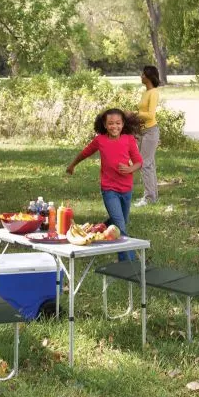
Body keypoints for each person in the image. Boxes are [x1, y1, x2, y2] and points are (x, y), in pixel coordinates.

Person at [66, 108, 143, 261]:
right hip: (109, 189)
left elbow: (138, 162)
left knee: (121, 221)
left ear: (123, 124)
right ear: (105, 125)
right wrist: (72, 165)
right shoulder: (100, 140)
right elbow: (85, 153)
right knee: (120, 226)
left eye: (118, 123)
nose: (115, 126)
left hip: (126, 189)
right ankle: (128, 263)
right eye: (111, 123)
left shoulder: (129, 139)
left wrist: (130, 169)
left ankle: (100, 227)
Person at [135, 65, 160, 207]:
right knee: (148, 164)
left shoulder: (154, 92)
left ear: (149, 77)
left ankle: (149, 198)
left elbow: (150, 115)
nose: (141, 76)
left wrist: (135, 114)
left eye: (143, 74)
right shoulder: (146, 92)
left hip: (151, 131)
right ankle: (152, 197)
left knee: (145, 164)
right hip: (142, 131)